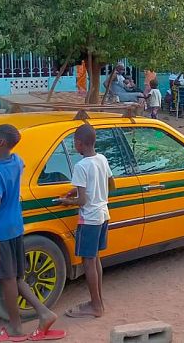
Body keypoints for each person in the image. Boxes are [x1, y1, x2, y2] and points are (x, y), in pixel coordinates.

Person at [0, 125, 64, 342]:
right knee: (15, 276)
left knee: (7, 279)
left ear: (1, 143)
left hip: (0, 231)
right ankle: (44, 313)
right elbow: (21, 167)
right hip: (16, 226)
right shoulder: (16, 160)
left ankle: (15, 327)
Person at [57, 124, 115, 319]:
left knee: (88, 262)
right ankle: (98, 300)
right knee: (95, 258)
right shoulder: (102, 159)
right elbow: (110, 184)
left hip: (88, 218)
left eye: (75, 142)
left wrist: (67, 201)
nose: (75, 145)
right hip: (103, 214)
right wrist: (85, 188)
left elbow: (82, 201)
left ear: (79, 144)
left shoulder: (81, 166)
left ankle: (96, 306)